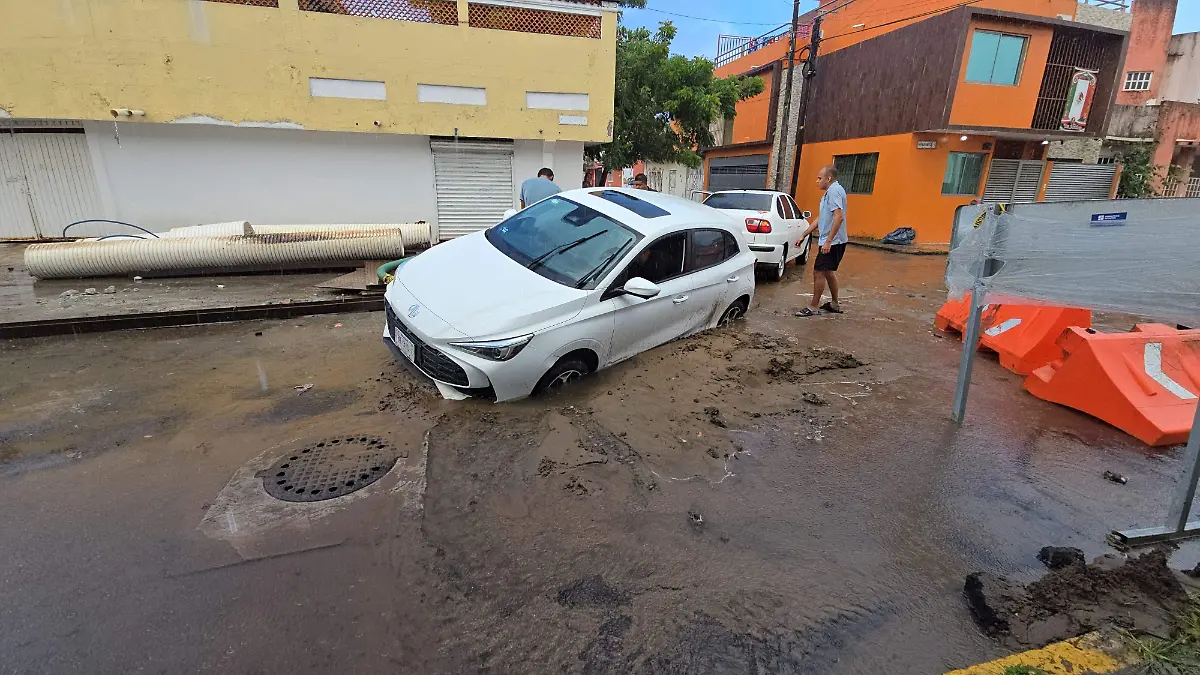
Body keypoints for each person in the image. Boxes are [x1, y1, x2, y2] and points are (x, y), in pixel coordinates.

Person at [796, 165, 848, 317]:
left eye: (819, 178)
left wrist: (828, 241)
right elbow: (821, 218)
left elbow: (839, 217)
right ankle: (834, 304)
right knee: (828, 272)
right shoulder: (830, 193)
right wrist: (804, 235)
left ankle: (813, 307)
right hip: (833, 240)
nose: (817, 181)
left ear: (828, 178)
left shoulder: (834, 191)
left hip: (834, 241)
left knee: (818, 272)